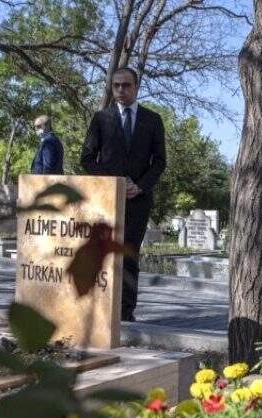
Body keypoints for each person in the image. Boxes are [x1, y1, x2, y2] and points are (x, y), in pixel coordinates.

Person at [81, 67, 166, 321]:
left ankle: (125, 313)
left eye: (126, 85)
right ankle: (99, 307)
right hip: (106, 200)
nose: (120, 90)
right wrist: (113, 183)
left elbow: (160, 162)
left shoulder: (152, 120)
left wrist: (139, 186)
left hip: (138, 201)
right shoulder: (101, 119)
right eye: (116, 85)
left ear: (136, 87)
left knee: (128, 255)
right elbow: (87, 158)